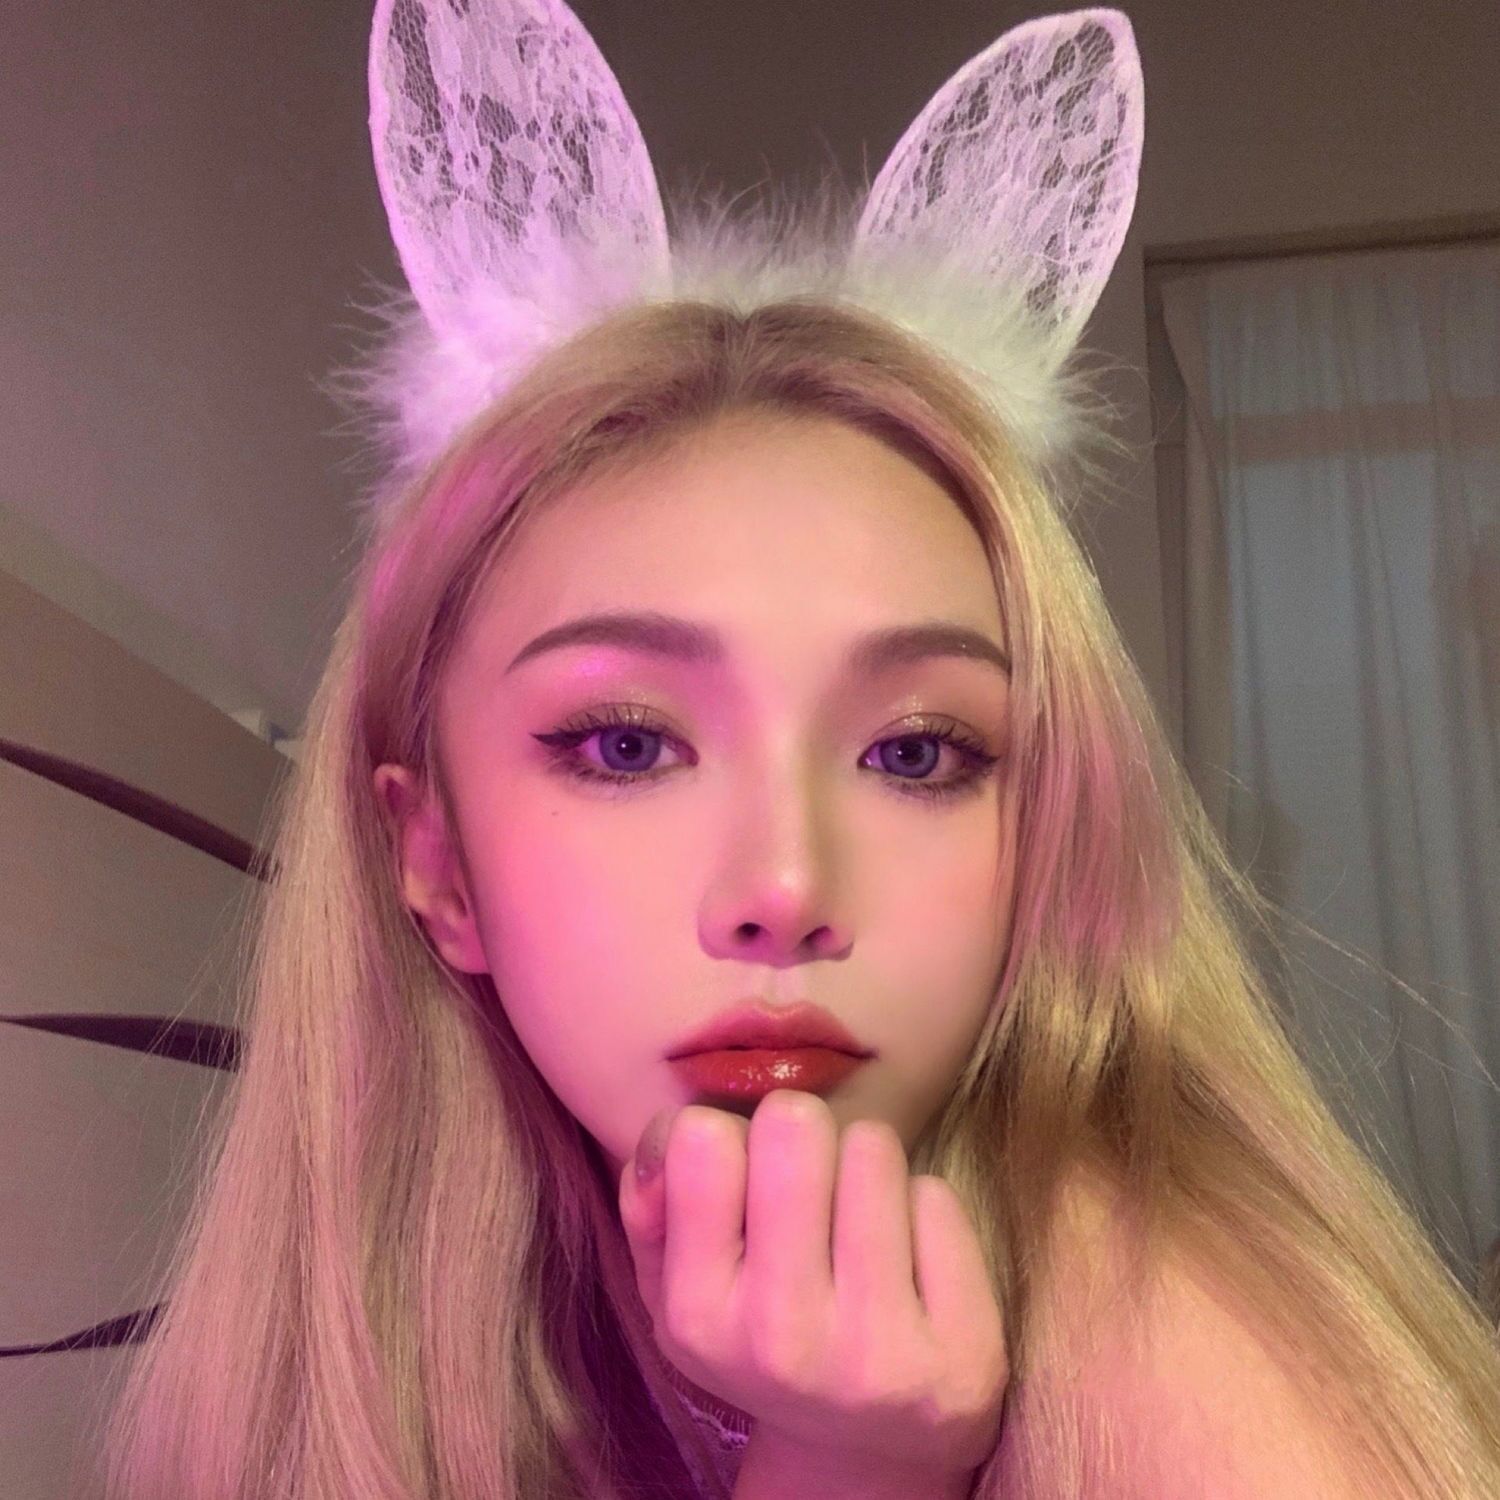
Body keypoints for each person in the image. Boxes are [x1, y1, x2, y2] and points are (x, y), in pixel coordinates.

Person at [98, 3, 1500, 1498]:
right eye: (626, 743)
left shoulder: (1193, 1357)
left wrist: (854, 1465)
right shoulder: (335, 1373)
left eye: (918, 755)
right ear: (434, 863)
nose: (784, 889)